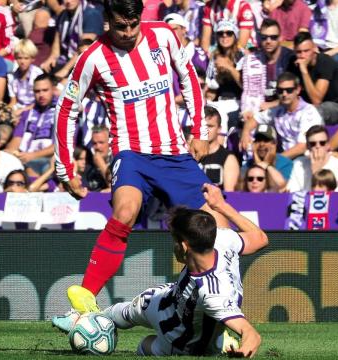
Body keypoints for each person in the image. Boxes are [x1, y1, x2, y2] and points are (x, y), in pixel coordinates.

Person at [53, 0, 220, 314]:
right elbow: (66, 110)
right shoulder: (92, 58)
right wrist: (66, 168)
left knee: (215, 227)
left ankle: (222, 314)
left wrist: (198, 129)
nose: (128, 33)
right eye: (120, 26)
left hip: (174, 153)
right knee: (125, 212)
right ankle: (84, 302)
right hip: (131, 154)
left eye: (133, 25)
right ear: (107, 21)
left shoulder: (165, 35)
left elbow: (189, 78)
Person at [56, 184, 267, 357]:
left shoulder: (213, 295)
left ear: (184, 246)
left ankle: (219, 341)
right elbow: (260, 238)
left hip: (180, 337)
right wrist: (221, 205)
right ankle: (87, 317)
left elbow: (251, 334)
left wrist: (245, 348)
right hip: (171, 296)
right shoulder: (221, 238)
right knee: (128, 309)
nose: (173, 246)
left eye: (174, 241)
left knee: (145, 346)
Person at [240, 72, 323, 160]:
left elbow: (302, 147)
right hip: (285, 159)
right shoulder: (278, 110)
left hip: (306, 159)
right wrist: (245, 133)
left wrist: (275, 160)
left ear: (298, 90)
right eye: (280, 91)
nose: (284, 94)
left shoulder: (308, 112)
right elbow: (253, 120)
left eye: (289, 90)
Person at [287, 31, 338, 125]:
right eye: (299, 52)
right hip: (311, 107)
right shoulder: (293, 63)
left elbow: (317, 100)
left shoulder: (325, 61)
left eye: (306, 51)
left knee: (314, 111)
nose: (302, 56)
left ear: (314, 48)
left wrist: (304, 71)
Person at [10, 73, 56, 176]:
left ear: (53, 89)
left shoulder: (63, 112)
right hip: (25, 159)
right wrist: (6, 154)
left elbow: (61, 146)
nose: (41, 95)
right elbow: (16, 140)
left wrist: (33, 155)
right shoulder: (27, 113)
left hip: (49, 160)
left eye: (45, 90)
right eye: (37, 91)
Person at [287, 125, 338, 192]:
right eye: (313, 144)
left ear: (328, 145)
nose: (317, 146)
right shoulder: (298, 164)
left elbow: (336, 196)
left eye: (322, 143)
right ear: (308, 146)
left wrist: (316, 173)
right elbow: (293, 194)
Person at [199, 106, 240, 191]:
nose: (206, 130)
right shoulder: (190, 156)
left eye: (210, 126)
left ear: (219, 129)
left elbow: (229, 194)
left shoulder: (228, 158)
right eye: (203, 126)